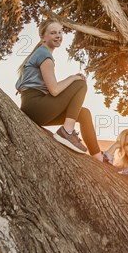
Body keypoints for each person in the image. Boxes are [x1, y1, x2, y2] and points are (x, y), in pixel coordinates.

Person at [15, 18, 103, 161]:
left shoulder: (41, 54)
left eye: (60, 32)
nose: (58, 35)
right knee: (80, 83)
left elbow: (54, 90)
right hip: (35, 105)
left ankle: (98, 157)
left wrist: (72, 78)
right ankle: (67, 131)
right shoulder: (44, 55)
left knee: (84, 113)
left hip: (36, 108)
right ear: (42, 37)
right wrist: (73, 78)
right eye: (53, 33)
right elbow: (55, 91)